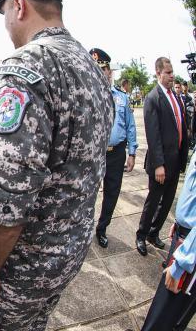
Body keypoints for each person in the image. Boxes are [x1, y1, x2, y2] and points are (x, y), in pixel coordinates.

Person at [0, 0, 113, 330]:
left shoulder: (27, 65)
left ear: (18, 5)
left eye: (3, 12)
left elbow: (7, 200)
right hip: (67, 254)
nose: (5, 24)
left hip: (22, 267)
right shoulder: (90, 67)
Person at [136, 57, 189, 256]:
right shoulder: (153, 98)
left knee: (167, 203)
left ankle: (153, 232)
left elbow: (180, 127)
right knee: (153, 202)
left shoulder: (174, 96)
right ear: (158, 73)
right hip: (161, 164)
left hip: (175, 162)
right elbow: (153, 133)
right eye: (167, 72)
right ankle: (141, 235)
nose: (171, 75)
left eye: (172, 71)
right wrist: (158, 164)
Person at [141, 151, 196, 330]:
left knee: (165, 314)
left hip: (190, 246)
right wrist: (181, 220)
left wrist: (183, 261)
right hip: (188, 235)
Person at [90, 48, 138, 248]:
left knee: (112, 193)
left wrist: (133, 152)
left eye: (103, 70)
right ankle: (82, 230)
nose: (100, 74)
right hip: (93, 154)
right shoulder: (87, 95)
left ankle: (101, 228)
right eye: (96, 70)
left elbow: (130, 125)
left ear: (109, 71)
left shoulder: (122, 97)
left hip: (116, 153)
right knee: (87, 195)